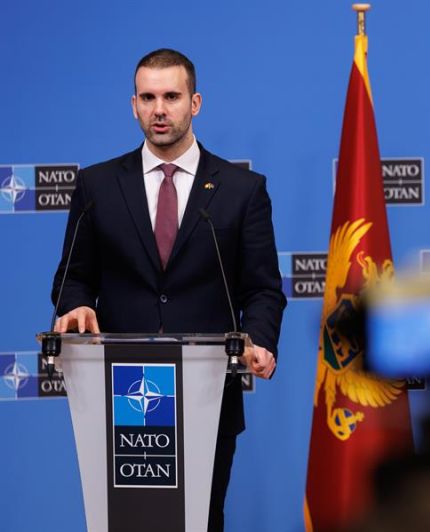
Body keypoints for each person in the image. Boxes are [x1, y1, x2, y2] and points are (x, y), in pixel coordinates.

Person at [51, 48, 286, 531]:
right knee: (129, 522)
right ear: (133, 105)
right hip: (120, 390)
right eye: (148, 97)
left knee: (201, 520)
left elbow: (262, 289)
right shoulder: (96, 185)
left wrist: (259, 338)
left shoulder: (242, 190)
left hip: (207, 393)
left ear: (194, 103)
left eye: (172, 96)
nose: (160, 109)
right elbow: (73, 276)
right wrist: (73, 303)